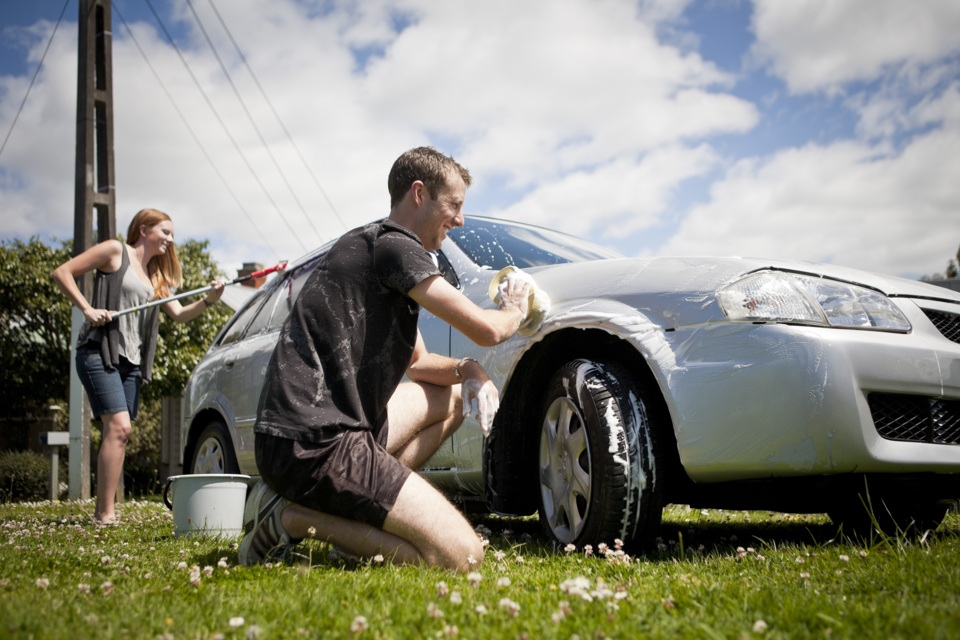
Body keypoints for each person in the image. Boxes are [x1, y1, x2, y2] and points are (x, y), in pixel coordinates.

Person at [241, 147, 531, 573]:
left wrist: (469, 370)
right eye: (453, 205)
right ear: (419, 194)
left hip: (326, 431)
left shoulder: (375, 252)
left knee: (450, 398)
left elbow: (418, 365)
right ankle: (292, 517)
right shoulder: (395, 246)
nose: (460, 219)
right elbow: (487, 329)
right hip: (312, 444)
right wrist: (515, 308)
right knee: (462, 557)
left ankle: (353, 518)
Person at [52, 209, 225, 525]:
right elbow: (62, 272)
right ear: (143, 229)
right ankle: (105, 515)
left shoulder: (156, 274)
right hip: (99, 350)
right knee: (119, 426)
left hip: (130, 361)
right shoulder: (115, 251)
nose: (170, 240)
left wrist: (210, 300)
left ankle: (103, 511)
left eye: (172, 234)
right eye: (165, 232)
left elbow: (178, 314)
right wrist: (88, 309)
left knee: (118, 433)